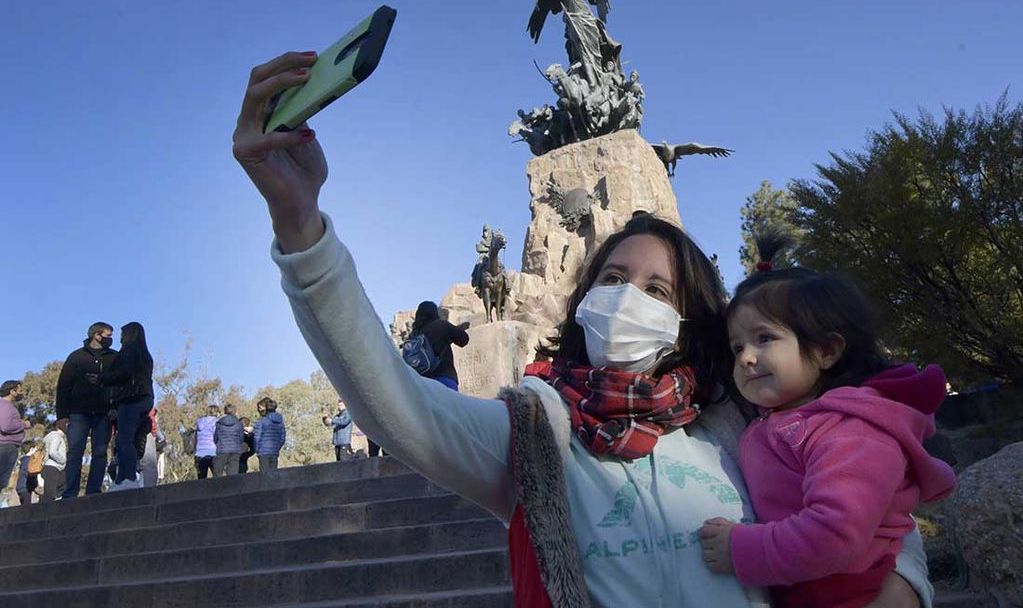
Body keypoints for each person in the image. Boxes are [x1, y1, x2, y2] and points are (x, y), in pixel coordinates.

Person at [233, 51, 931, 607]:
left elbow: (863, 475)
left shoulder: (736, 417)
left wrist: (902, 579)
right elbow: (391, 399)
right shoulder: (533, 434)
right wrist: (299, 226)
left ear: (687, 320)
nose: (628, 298)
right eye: (611, 279)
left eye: (656, 288)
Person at [697, 235, 957, 608]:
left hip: (854, 591)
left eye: (764, 338)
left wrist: (742, 550)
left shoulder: (851, 427)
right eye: (737, 346)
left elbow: (837, 532)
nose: (746, 358)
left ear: (826, 350)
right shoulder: (776, 422)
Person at [89, 322, 155, 491]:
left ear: (129, 335)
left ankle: (129, 477)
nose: (119, 338)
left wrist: (102, 379)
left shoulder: (128, 351)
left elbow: (124, 373)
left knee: (124, 439)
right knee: (127, 438)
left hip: (131, 398)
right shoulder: (145, 355)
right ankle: (121, 479)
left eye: (122, 334)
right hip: (145, 397)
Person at [55, 322, 117, 497]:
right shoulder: (76, 357)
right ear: (96, 335)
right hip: (78, 413)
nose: (110, 339)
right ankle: (70, 492)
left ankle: (93, 491)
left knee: (100, 452)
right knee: (75, 451)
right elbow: (63, 387)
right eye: (107, 335)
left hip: (104, 413)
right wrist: (62, 415)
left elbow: (119, 384)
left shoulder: (114, 357)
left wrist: (115, 407)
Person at [406, 301, 470, 391]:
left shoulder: (413, 335)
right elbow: (464, 340)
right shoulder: (441, 325)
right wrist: (458, 329)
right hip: (444, 377)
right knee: (449, 404)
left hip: (422, 384)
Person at [0, 380, 30, 508]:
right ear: (12, 391)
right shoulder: (6, 406)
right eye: (19, 390)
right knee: (1, 480)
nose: (21, 393)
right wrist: (24, 424)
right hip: (6, 447)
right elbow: (6, 426)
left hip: (6, 447)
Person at [253, 397, 286, 471]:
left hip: (263, 452)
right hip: (274, 452)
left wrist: (257, 449)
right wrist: (277, 448)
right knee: (273, 474)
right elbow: (282, 438)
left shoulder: (261, 421)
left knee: (264, 475)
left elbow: (257, 438)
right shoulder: (280, 422)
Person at [214, 402, 245, 476]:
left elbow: (215, 437)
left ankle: (217, 487)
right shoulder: (239, 423)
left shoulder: (219, 423)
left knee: (217, 473)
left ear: (225, 411)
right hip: (235, 450)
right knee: (233, 475)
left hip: (222, 449)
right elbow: (241, 438)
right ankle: (232, 487)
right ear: (234, 411)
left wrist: (217, 443)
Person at [41, 422, 68, 502]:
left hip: (50, 467)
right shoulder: (56, 436)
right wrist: (63, 460)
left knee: (51, 492)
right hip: (53, 467)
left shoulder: (49, 437)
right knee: (50, 495)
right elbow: (52, 452)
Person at [194, 405, 219, 479]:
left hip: (199, 453)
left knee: (201, 479)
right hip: (213, 452)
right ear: (216, 413)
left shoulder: (199, 422)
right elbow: (217, 436)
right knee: (217, 479)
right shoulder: (216, 422)